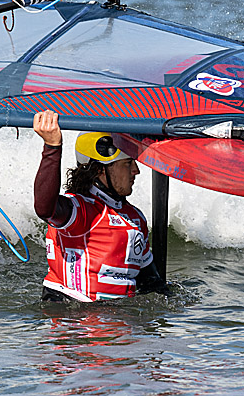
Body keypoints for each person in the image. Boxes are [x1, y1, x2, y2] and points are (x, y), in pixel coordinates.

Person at [32, 110, 168, 302]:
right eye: (128, 163)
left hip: (119, 323)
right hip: (74, 321)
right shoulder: (80, 211)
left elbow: (151, 283)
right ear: (100, 169)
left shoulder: (136, 218)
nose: (136, 171)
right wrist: (52, 147)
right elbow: (45, 208)